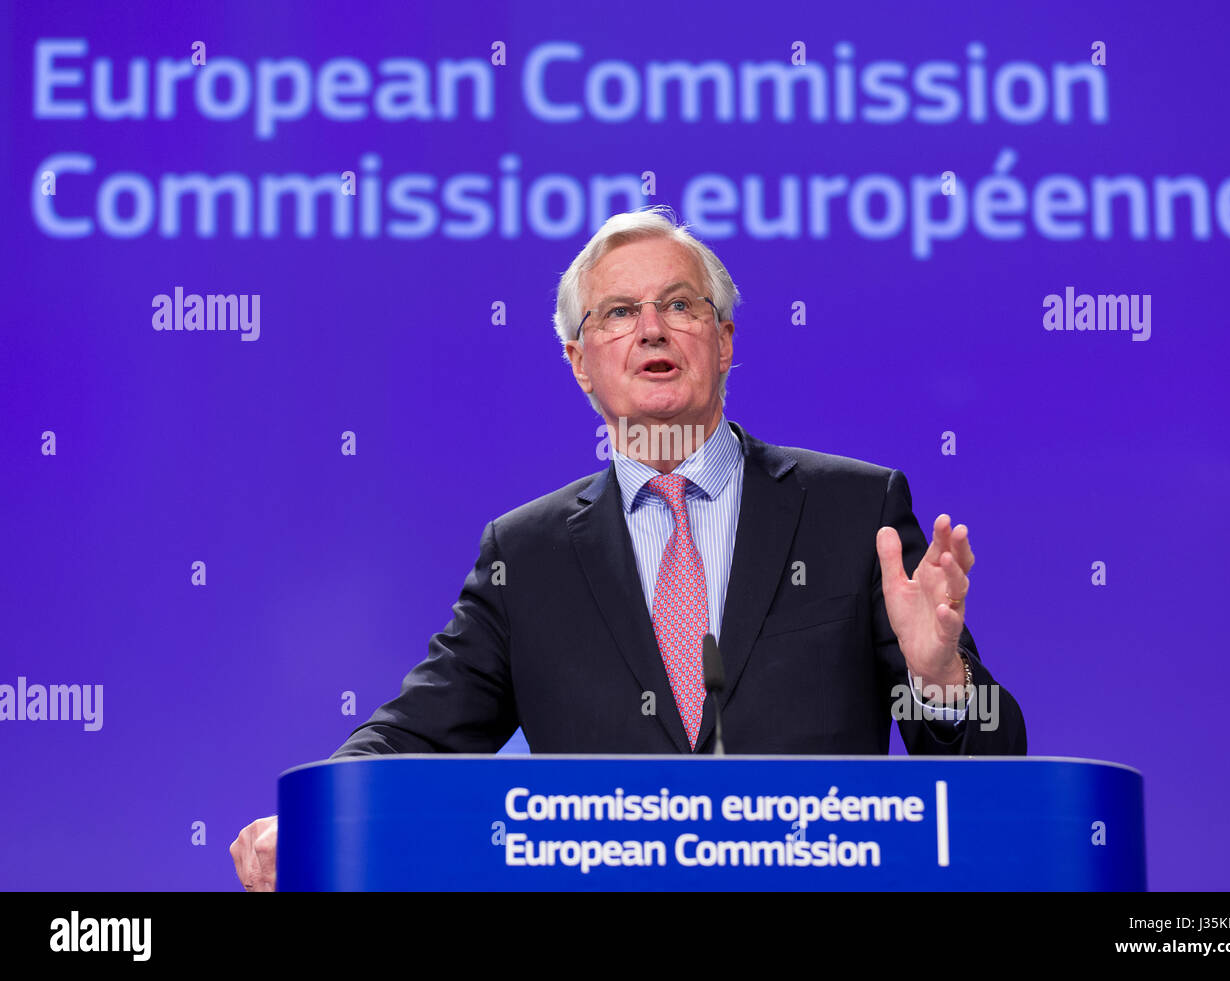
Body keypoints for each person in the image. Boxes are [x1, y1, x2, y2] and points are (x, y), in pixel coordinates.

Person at [231, 205, 1027, 891]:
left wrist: (942, 681)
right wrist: (311, 817)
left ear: (723, 340)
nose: (650, 327)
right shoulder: (528, 554)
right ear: (580, 363)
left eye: (679, 304)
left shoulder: (856, 511)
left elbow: (996, 769)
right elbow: (418, 733)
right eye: (616, 313)